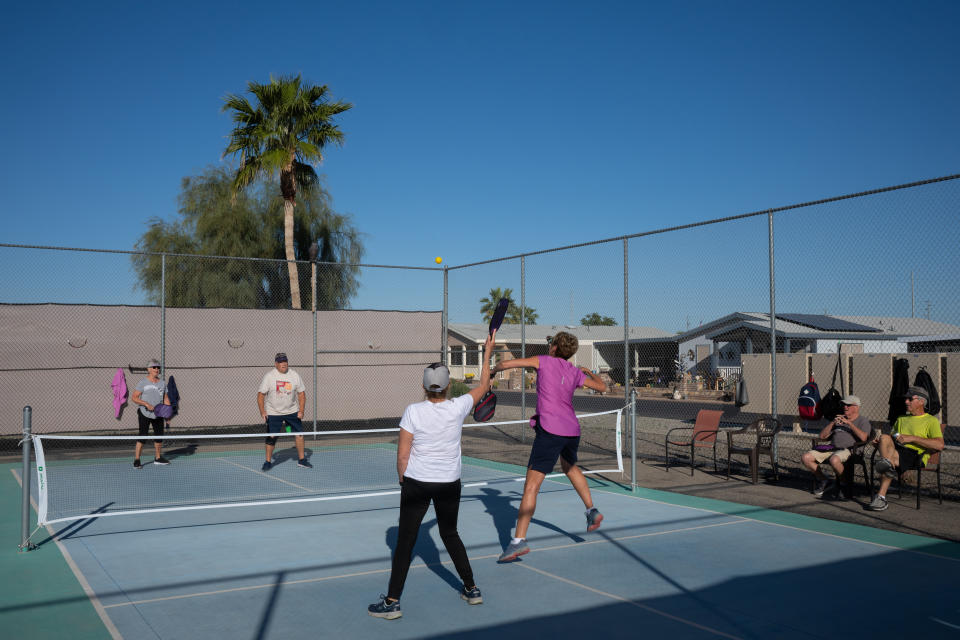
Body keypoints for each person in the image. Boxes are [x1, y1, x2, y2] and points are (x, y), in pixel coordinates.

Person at [368, 331, 497, 620]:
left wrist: (403, 478)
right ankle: (472, 588)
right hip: (449, 483)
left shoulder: (413, 411)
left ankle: (392, 602)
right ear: (449, 385)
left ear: (424, 387)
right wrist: (486, 352)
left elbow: (403, 454)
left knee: (405, 542)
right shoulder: (459, 406)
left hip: (417, 483)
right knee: (450, 533)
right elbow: (485, 383)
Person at [492, 331, 609, 563]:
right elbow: (602, 387)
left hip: (551, 431)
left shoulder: (542, 361)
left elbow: (506, 363)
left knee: (531, 487)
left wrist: (492, 371)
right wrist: (587, 372)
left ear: (554, 347)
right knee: (570, 467)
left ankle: (518, 542)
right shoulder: (574, 371)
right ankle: (591, 510)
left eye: (551, 343)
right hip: (571, 431)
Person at [866, 386, 944, 511]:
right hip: (897, 451)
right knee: (885, 437)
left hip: (915, 455)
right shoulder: (901, 419)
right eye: (906, 399)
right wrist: (880, 444)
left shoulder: (931, 421)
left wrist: (912, 438)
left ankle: (881, 494)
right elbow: (892, 439)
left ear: (921, 402)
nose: (906, 401)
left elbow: (939, 445)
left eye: (910, 399)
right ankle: (882, 485)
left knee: (888, 459)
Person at [800, 395, 872, 499]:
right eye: (844, 405)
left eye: (848, 405)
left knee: (834, 460)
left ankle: (843, 484)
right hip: (831, 448)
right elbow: (822, 436)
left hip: (849, 450)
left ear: (856, 407)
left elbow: (864, 438)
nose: (845, 407)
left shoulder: (863, 421)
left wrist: (849, 423)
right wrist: (833, 423)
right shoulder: (839, 419)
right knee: (806, 458)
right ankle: (824, 480)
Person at [257, 352, 309, 471]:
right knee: (272, 437)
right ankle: (268, 461)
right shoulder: (269, 376)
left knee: (299, 435)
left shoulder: (294, 375)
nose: (283, 364)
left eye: (285, 361)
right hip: (274, 412)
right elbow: (261, 395)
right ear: (276, 364)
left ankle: (302, 460)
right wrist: (262, 411)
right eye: (280, 362)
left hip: (292, 411)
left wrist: (301, 410)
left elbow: (301, 394)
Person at [130, 359, 171, 468]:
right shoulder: (143, 382)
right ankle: (137, 459)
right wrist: (145, 404)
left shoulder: (162, 383)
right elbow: (134, 397)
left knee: (159, 436)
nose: (156, 369)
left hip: (158, 414)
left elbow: (166, 399)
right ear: (148, 369)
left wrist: (167, 413)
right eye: (154, 367)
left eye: (158, 367)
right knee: (143, 436)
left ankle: (157, 458)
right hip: (144, 413)